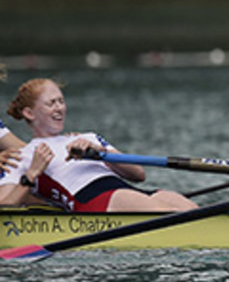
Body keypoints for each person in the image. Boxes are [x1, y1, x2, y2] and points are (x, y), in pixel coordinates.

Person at [0, 78, 197, 212]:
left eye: (61, 101)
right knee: (167, 212)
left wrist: (100, 153)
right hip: (94, 201)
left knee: (185, 206)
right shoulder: (21, 156)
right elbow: (4, 206)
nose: (59, 108)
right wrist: (32, 174)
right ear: (29, 113)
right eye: (51, 103)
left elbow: (138, 174)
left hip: (128, 192)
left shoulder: (89, 137)